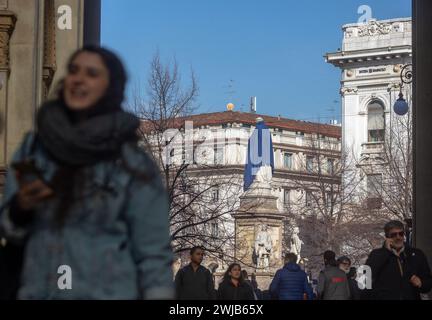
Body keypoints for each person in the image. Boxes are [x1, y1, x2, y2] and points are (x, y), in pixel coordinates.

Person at [0, 46, 174, 299]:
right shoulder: (34, 148)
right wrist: (21, 208)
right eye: (73, 70)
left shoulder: (133, 164)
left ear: (111, 86)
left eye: (91, 73)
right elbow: (7, 227)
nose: (78, 79)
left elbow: (153, 255)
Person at [364, 220, 432, 300]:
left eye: (401, 234)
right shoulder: (376, 255)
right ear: (387, 237)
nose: (398, 237)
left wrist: (421, 283)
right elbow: (365, 279)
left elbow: (428, 283)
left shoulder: (417, 254)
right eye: (393, 235)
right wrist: (386, 252)